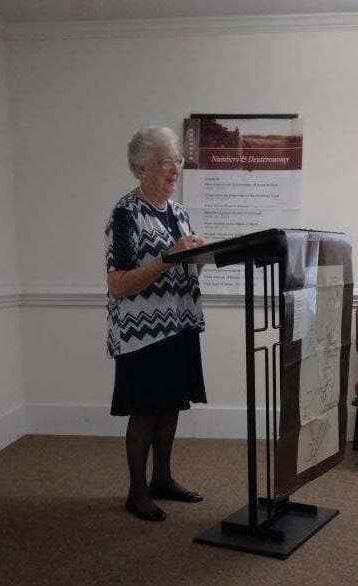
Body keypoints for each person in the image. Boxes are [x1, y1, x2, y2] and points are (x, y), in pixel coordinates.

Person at [104, 126, 207, 522]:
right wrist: (169, 257)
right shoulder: (125, 213)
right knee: (145, 412)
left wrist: (198, 254)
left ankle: (163, 479)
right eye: (166, 162)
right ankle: (137, 491)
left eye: (178, 161)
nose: (175, 169)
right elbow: (119, 284)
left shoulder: (179, 213)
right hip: (142, 333)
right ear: (139, 167)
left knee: (170, 408)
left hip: (178, 326)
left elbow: (181, 264)